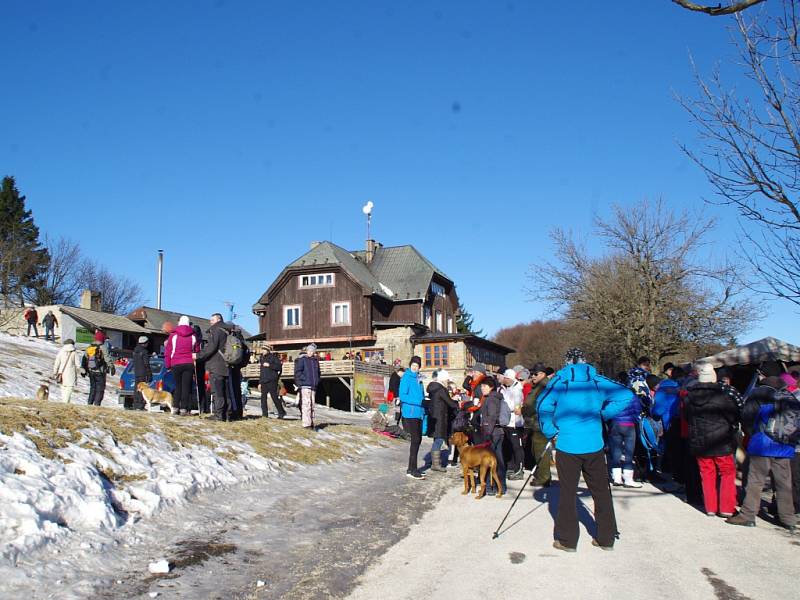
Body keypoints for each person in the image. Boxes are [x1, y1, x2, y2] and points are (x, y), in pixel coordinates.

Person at [538, 348, 635, 552]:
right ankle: (606, 538)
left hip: (567, 443)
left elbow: (542, 406)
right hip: (594, 444)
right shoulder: (597, 380)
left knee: (567, 493)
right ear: (585, 361)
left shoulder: (559, 381)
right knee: (601, 492)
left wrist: (550, 430)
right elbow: (626, 395)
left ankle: (567, 540)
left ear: (566, 363)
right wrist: (603, 413)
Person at [727, 376, 797, 531]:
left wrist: (753, 435)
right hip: (785, 447)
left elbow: (749, 419)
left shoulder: (761, 399)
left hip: (763, 446)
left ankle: (748, 515)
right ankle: (788, 518)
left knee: (755, 481)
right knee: (783, 484)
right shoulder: (791, 400)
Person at [685, 363, 742, 517]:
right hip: (720, 440)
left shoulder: (689, 398)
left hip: (700, 441)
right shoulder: (722, 397)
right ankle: (726, 508)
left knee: (706, 473)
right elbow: (734, 416)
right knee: (727, 473)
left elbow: (686, 417)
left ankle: (710, 507)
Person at [607, 373, 642, 488]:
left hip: (615, 424)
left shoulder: (612, 396)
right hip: (629, 425)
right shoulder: (632, 395)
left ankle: (616, 478)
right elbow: (638, 410)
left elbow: (608, 410)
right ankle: (628, 478)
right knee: (628, 452)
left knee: (615, 451)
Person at [193, 313, 230, 421]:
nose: (210, 322)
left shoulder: (216, 330)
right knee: (225, 391)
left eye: (212, 320)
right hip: (226, 364)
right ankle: (227, 414)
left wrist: (198, 355)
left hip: (216, 365)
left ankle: (219, 415)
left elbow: (211, 348)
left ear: (218, 319)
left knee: (217, 391)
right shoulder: (227, 330)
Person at [521, 363, 552, 487]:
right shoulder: (538, 385)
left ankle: (544, 478)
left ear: (543, 374)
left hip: (541, 422)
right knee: (536, 449)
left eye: (535, 374)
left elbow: (535, 405)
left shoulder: (543, 386)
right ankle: (542, 475)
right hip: (534, 422)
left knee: (540, 451)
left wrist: (523, 410)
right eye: (532, 374)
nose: (532, 376)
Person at [165, 316, 200, 416]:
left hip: (176, 363)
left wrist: (168, 365)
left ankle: (175, 407)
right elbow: (196, 350)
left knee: (178, 386)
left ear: (179, 322)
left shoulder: (173, 335)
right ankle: (184, 409)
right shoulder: (193, 335)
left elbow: (168, 350)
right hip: (189, 363)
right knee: (186, 387)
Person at [479, 376, 507, 495]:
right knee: (498, 460)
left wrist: (488, 434)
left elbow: (491, 417)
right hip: (498, 432)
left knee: (493, 462)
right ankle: (501, 486)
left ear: (491, 387)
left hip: (492, 433)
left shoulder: (491, 399)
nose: (482, 388)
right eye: (481, 386)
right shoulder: (496, 397)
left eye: (484, 386)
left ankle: (493, 486)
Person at [427, 369, 458, 472]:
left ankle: (435, 461)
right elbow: (450, 403)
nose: (447, 382)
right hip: (440, 417)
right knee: (439, 439)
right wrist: (457, 401)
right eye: (446, 380)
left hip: (433, 417)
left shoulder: (433, 388)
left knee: (437, 439)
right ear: (442, 379)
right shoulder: (441, 389)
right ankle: (435, 464)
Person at [400, 356, 426, 479]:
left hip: (419, 412)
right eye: (413, 365)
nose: (415, 368)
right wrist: (419, 401)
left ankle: (411, 468)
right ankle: (413, 469)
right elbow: (402, 396)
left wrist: (425, 403)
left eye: (417, 366)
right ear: (410, 365)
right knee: (415, 440)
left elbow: (421, 394)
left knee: (419, 439)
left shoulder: (419, 378)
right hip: (410, 413)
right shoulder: (406, 377)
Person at [499, 368, 525, 480]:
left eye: (505, 377)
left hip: (515, 423)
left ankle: (519, 469)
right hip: (506, 423)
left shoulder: (517, 390)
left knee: (516, 447)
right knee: (508, 446)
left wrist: (503, 406)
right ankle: (510, 467)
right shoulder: (504, 389)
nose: (503, 379)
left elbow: (516, 407)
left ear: (509, 378)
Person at [294, 343, 321, 429]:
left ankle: (312, 422)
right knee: (306, 404)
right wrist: (303, 379)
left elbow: (318, 373)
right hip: (305, 385)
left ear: (314, 352)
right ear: (307, 351)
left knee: (312, 404)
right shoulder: (303, 359)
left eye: (312, 351)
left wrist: (317, 380)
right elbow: (298, 371)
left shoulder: (315, 361)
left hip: (313, 385)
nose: (310, 352)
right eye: (309, 351)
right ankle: (306, 424)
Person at [259, 345, 285, 418]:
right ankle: (264, 414)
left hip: (272, 380)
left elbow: (279, 367)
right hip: (264, 380)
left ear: (268, 350)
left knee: (274, 397)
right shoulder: (262, 358)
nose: (262, 351)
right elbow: (262, 371)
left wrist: (269, 365)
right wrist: (260, 382)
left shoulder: (274, 358)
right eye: (262, 349)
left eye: (264, 350)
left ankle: (281, 412)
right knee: (263, 398)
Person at [81, 339, 109, 406]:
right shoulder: (103, 347)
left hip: (91, 371)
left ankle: (90, 403)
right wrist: (111, 366)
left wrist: (84, 369)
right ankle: (97, 404)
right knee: (100, 388)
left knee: (93, 387)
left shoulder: (89, 347)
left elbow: (84, 358)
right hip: (100, 371)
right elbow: (107, 358)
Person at [53, 338, 80, 403]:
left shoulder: (61, 351)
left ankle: (65, 404)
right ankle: (65, 404)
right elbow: (78, 364)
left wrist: (55, 372)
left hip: (61, 374)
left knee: (63, 390)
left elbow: (57, 362)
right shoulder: (74, 352)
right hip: (71, 375)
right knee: (69, 390)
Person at [132, 335, 152, 410]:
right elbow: (146, 364)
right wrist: (149, 374)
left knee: (136, 389)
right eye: (147, 343)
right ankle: (140, 406)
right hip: (143, 373)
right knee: (143, 389)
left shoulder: (135, 351)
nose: (148, 344)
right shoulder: (144, 352)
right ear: (144, 343)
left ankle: (135, 404)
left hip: (136, 372)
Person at [192, 323, 208, 413]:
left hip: (197, 362)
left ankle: (201, 406)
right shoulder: (202, 341)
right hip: (201, 364)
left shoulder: (195, 340)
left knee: (197, 385)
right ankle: (203, 407)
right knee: (201, 386)